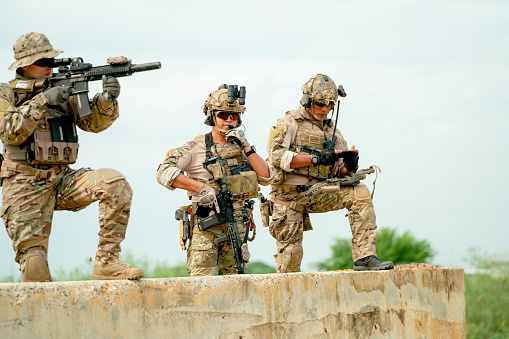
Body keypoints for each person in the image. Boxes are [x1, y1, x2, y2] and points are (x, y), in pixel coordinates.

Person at [0, 32, 144, 282]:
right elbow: (10, 132)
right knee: (34, 268)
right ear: (24, 65)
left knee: (114, 184)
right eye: (42, 62)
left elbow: (93, 124)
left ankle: (107, 263)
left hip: (63, 179)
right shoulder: (6, 94)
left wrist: (107, 101)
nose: (49, 68)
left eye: (51, 62)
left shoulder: (62, 90)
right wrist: (43, 100)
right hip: (23, 185)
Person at [266, 74, 394, 273]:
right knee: (291, 260)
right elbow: (275, 155)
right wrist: (315, 158)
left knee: (359, 191)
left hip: (317, 192)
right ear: (308, 100)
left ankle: (365, 256)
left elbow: (339, 170)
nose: (325, 109)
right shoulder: (289, 122)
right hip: (288, 197)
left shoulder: (331, 130)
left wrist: (349, 166)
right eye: (320, 104)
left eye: (330, 105)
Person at [156, 85, 274, 276]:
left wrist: (246, 146)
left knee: (236, 285)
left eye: (234, 116)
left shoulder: (244, 148)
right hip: (207, 226)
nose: (229, 120)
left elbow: (267, 177)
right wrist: (200, 188)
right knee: (202, 285)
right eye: (223, 115)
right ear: (212, 116)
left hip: (237, 226)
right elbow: (163, 172)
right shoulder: (197, 147)